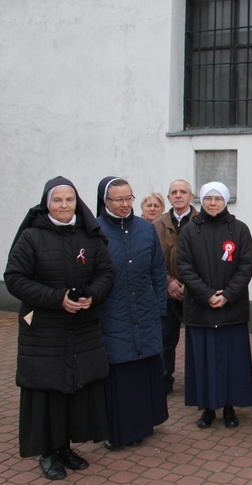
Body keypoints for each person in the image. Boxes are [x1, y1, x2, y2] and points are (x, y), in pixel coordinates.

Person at [4, 176, 115, 480]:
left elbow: (106, 273)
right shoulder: (31, 238)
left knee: (75, 389)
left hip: (81, 327)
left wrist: (92, 295)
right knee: (47, 392)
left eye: (69, 199)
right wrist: (57, 299)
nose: (64, 205)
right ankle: (47, 452)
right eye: (57, 200)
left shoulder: (90, 236)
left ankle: (65, 447)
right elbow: (14, 278)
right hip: (44, 330)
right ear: (46, 203)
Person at [96, 177, 169, 450]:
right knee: (120, 372)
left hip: (145, 310)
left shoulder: (145, 229)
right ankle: (117, 430)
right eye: (118, 200)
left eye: (128, 198)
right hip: (112, 311)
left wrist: (159, 308)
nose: (125, 204)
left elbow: (157, 271)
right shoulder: (95, 231)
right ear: (105, 202)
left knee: (142, 370)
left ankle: (142, 424)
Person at [176, 181, 252, 428]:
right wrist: (207, 294)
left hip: (231, 309)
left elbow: (246, 266)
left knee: (231, 361)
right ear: (200, 201)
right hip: (201, 308)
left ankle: (230, 408)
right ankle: (207, 409)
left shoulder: (239, 229)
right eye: (208, 198)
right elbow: (184, 266)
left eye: (217, 198)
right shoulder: (189, 230)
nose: (213, 203)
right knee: (204, 360)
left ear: (225, 201)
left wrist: (227, 295)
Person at [153, 179, 198, 394]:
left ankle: (197, 381)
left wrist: (190, 286)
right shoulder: (158, 224)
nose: (178, 195)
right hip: (167, 292)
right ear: (169, 197)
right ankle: (163, 380)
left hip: (195, 293)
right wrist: (168, 282)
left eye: (183, 192)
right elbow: (152, 260)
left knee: (197, 340)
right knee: (165, 339)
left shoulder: (201, 221)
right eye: (173, 192)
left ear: (191, 196)